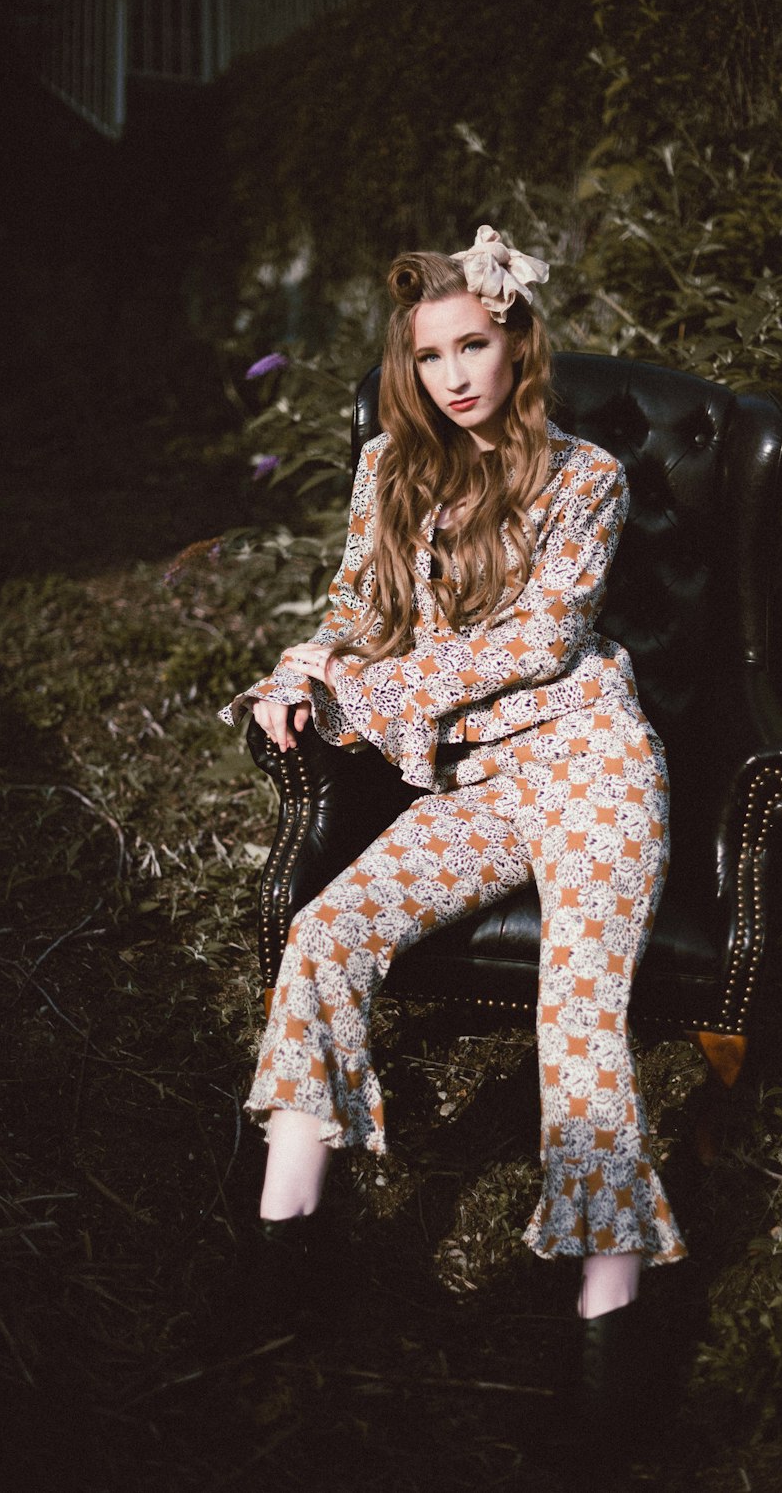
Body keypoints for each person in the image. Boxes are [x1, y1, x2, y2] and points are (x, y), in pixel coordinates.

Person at [220, 225, 686, 1424]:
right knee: (326, 933)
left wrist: (354, 695)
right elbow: (353, 609)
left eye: (474, 344)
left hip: (591, 766)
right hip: (478, 783)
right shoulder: (389, 469)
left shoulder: (586, 475)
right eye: (431, 355)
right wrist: (295, 673)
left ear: (517, 340)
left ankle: (608, 1329)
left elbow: (539, 644)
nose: (454, 375)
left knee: (576, 1019)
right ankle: (281, 1258)